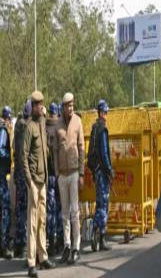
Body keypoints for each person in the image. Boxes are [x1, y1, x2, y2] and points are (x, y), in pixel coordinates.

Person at [23, 91, 56, 277]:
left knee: (42, 221)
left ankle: (43, 257)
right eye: (38, 104)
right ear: (33, 106)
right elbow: (23, 157)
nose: (41, 107)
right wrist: (30, 182)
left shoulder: (42, 122)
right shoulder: (29, 127)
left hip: (43, 180)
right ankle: (31, 262)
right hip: (34, 182)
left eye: (42, 104)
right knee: (33, 222)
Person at [52, 93, 84, 265]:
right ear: (63, 107)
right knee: (64, 213)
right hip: (62, 175)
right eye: (67, 105)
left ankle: (76, 247)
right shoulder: (57, 124)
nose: (70, 108)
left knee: (74, 212)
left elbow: (82, 148)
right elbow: (55, 151)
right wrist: (57, 173)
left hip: (73, 174)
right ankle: (66, 246)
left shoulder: (78, 121)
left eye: (72, 105)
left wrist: (81, 173)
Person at [88, 99, 113, 253]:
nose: (107, 115)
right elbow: (104, 153)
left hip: (96, 171)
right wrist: (110, 170)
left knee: (99, 203)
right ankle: (98, 233)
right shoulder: (102, 129)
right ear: (102, 113)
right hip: (102, 173)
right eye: (106, 112)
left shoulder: (93, 129)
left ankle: (99, 235)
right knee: (103, 205)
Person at [13, 101, 31, 259]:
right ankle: (24, 244)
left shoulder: (17, 126)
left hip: (18, 172)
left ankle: (19, 244)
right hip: (24, 173)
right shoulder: (26, 127)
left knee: (19, 209)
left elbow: (15, 151)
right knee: (26, 209)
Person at [44, 107, 62, 258]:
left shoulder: (44, 128)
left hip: (48, 176)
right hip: (59, 175)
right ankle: (61, 241)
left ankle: (51, 240)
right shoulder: (60, 128)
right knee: (61, 207)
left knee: (50, 210)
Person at [0, 106, 12, 259]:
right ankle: (3, 246)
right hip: (1, 176)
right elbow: (1, 150)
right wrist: (8, 155)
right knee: (5, 210)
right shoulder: (3, 130)